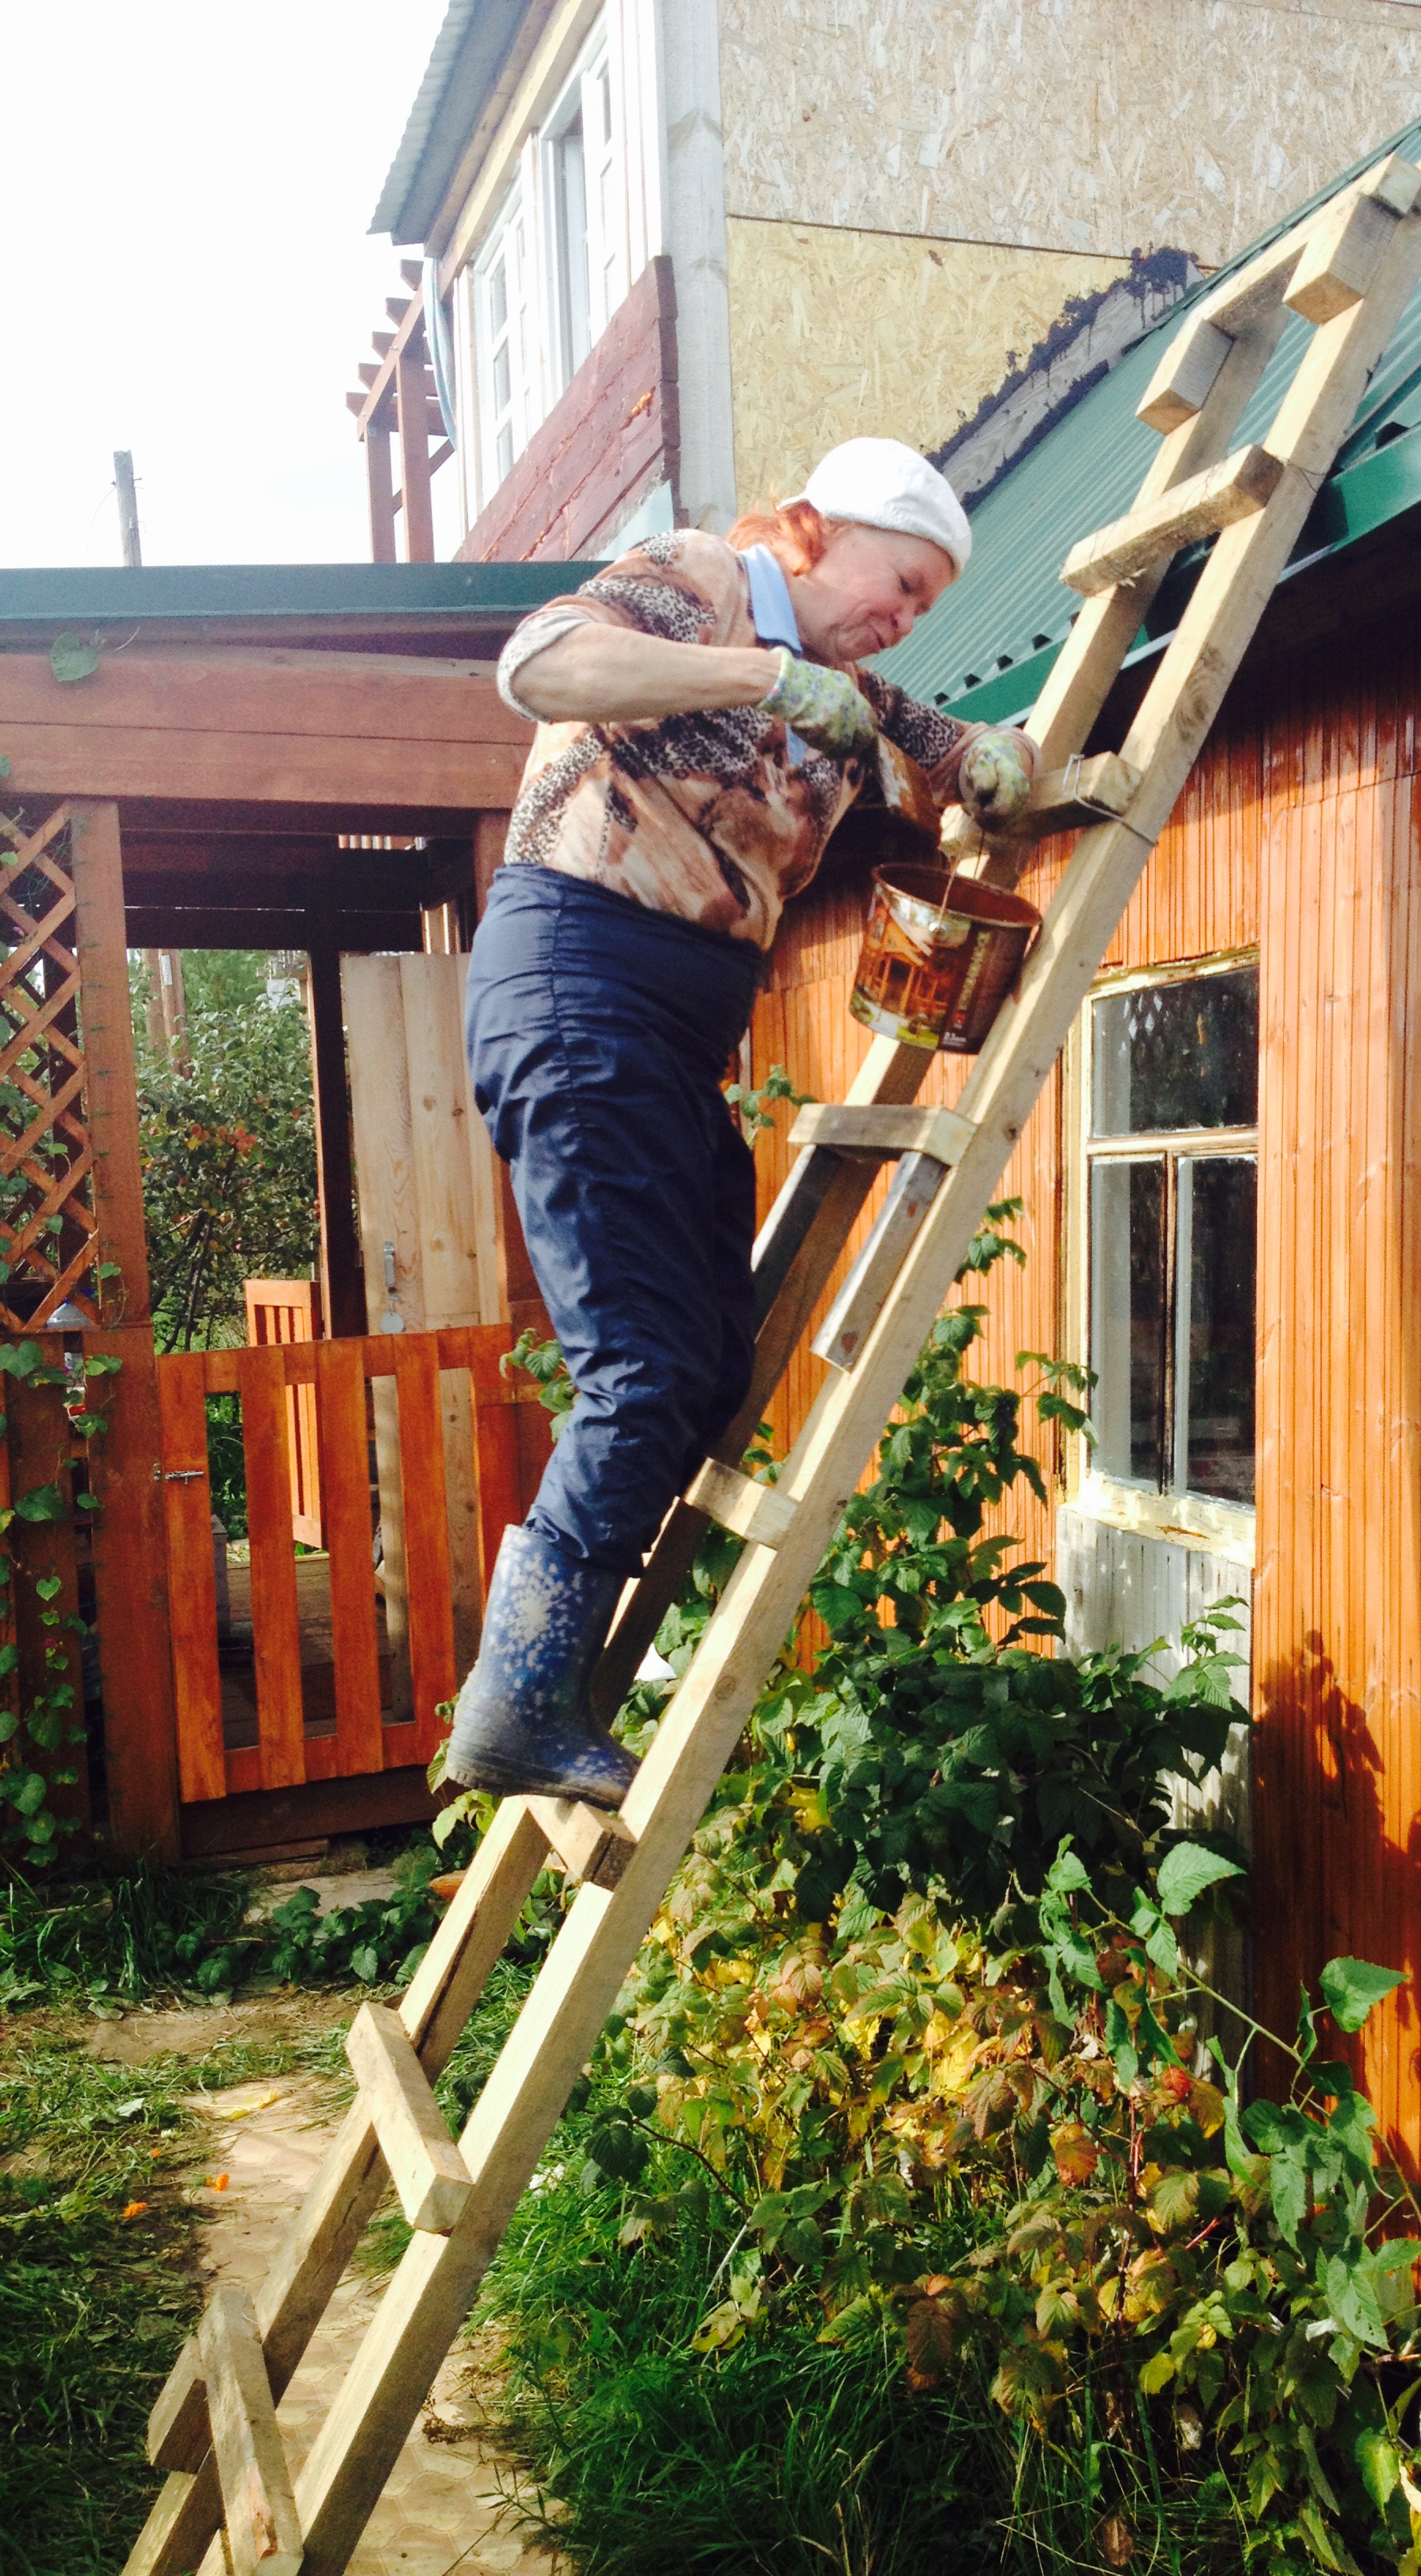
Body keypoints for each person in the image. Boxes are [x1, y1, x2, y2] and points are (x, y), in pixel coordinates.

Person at [443, 437, 1038, 1807]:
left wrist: (997, 762)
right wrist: (762, 675)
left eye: (926, 606)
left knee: (709, 1364)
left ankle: (563, 1663)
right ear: (817, 534)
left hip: (668, 1038)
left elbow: (965, 760)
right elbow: (538, 663)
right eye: (899, 582)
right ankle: (518, 1698)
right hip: (578, 983)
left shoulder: (863, 697)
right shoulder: (700, 583)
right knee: (646, 1366)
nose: (903, 617)